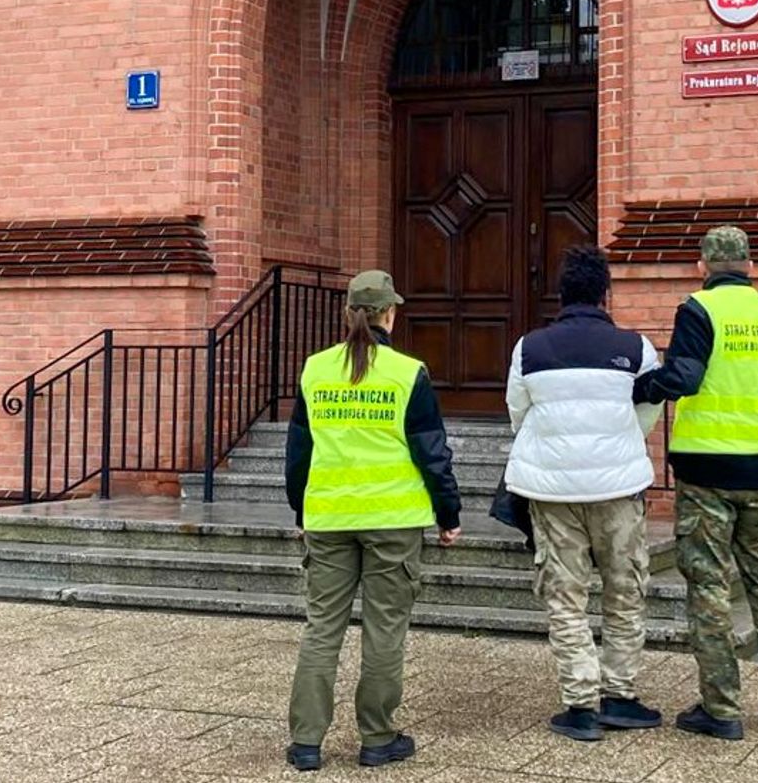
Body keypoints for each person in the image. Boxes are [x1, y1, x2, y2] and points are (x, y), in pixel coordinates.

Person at [633, 225, 758, 741]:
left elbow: (684, 377)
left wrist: (640, 387)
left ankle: (721, 710)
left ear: (702, 266)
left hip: (707, 471)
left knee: (710, 589)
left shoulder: (698, 309)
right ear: (751, 267)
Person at [283, 269, 462, 772]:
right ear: (390, 313)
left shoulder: (315, 370)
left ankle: (306, 742)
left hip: (329, 517)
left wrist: (302, 508)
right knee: (384, 631)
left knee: (322, 629)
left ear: (347, 314)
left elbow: (298, 453)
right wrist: (449, 514)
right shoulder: (408, 372)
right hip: (393, 519)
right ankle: (377, 738)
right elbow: (433, 455)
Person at [504, 245, 665, 742]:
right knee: (625, 588)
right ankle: (620, 694)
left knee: (565, 594)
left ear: (563, 292)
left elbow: (517, 412)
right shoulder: (636, 347)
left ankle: (580, 704)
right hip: (617, 488)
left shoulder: (529, 347)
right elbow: (648, 410)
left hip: (551, 491)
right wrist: (620, 444)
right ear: (604, 293)